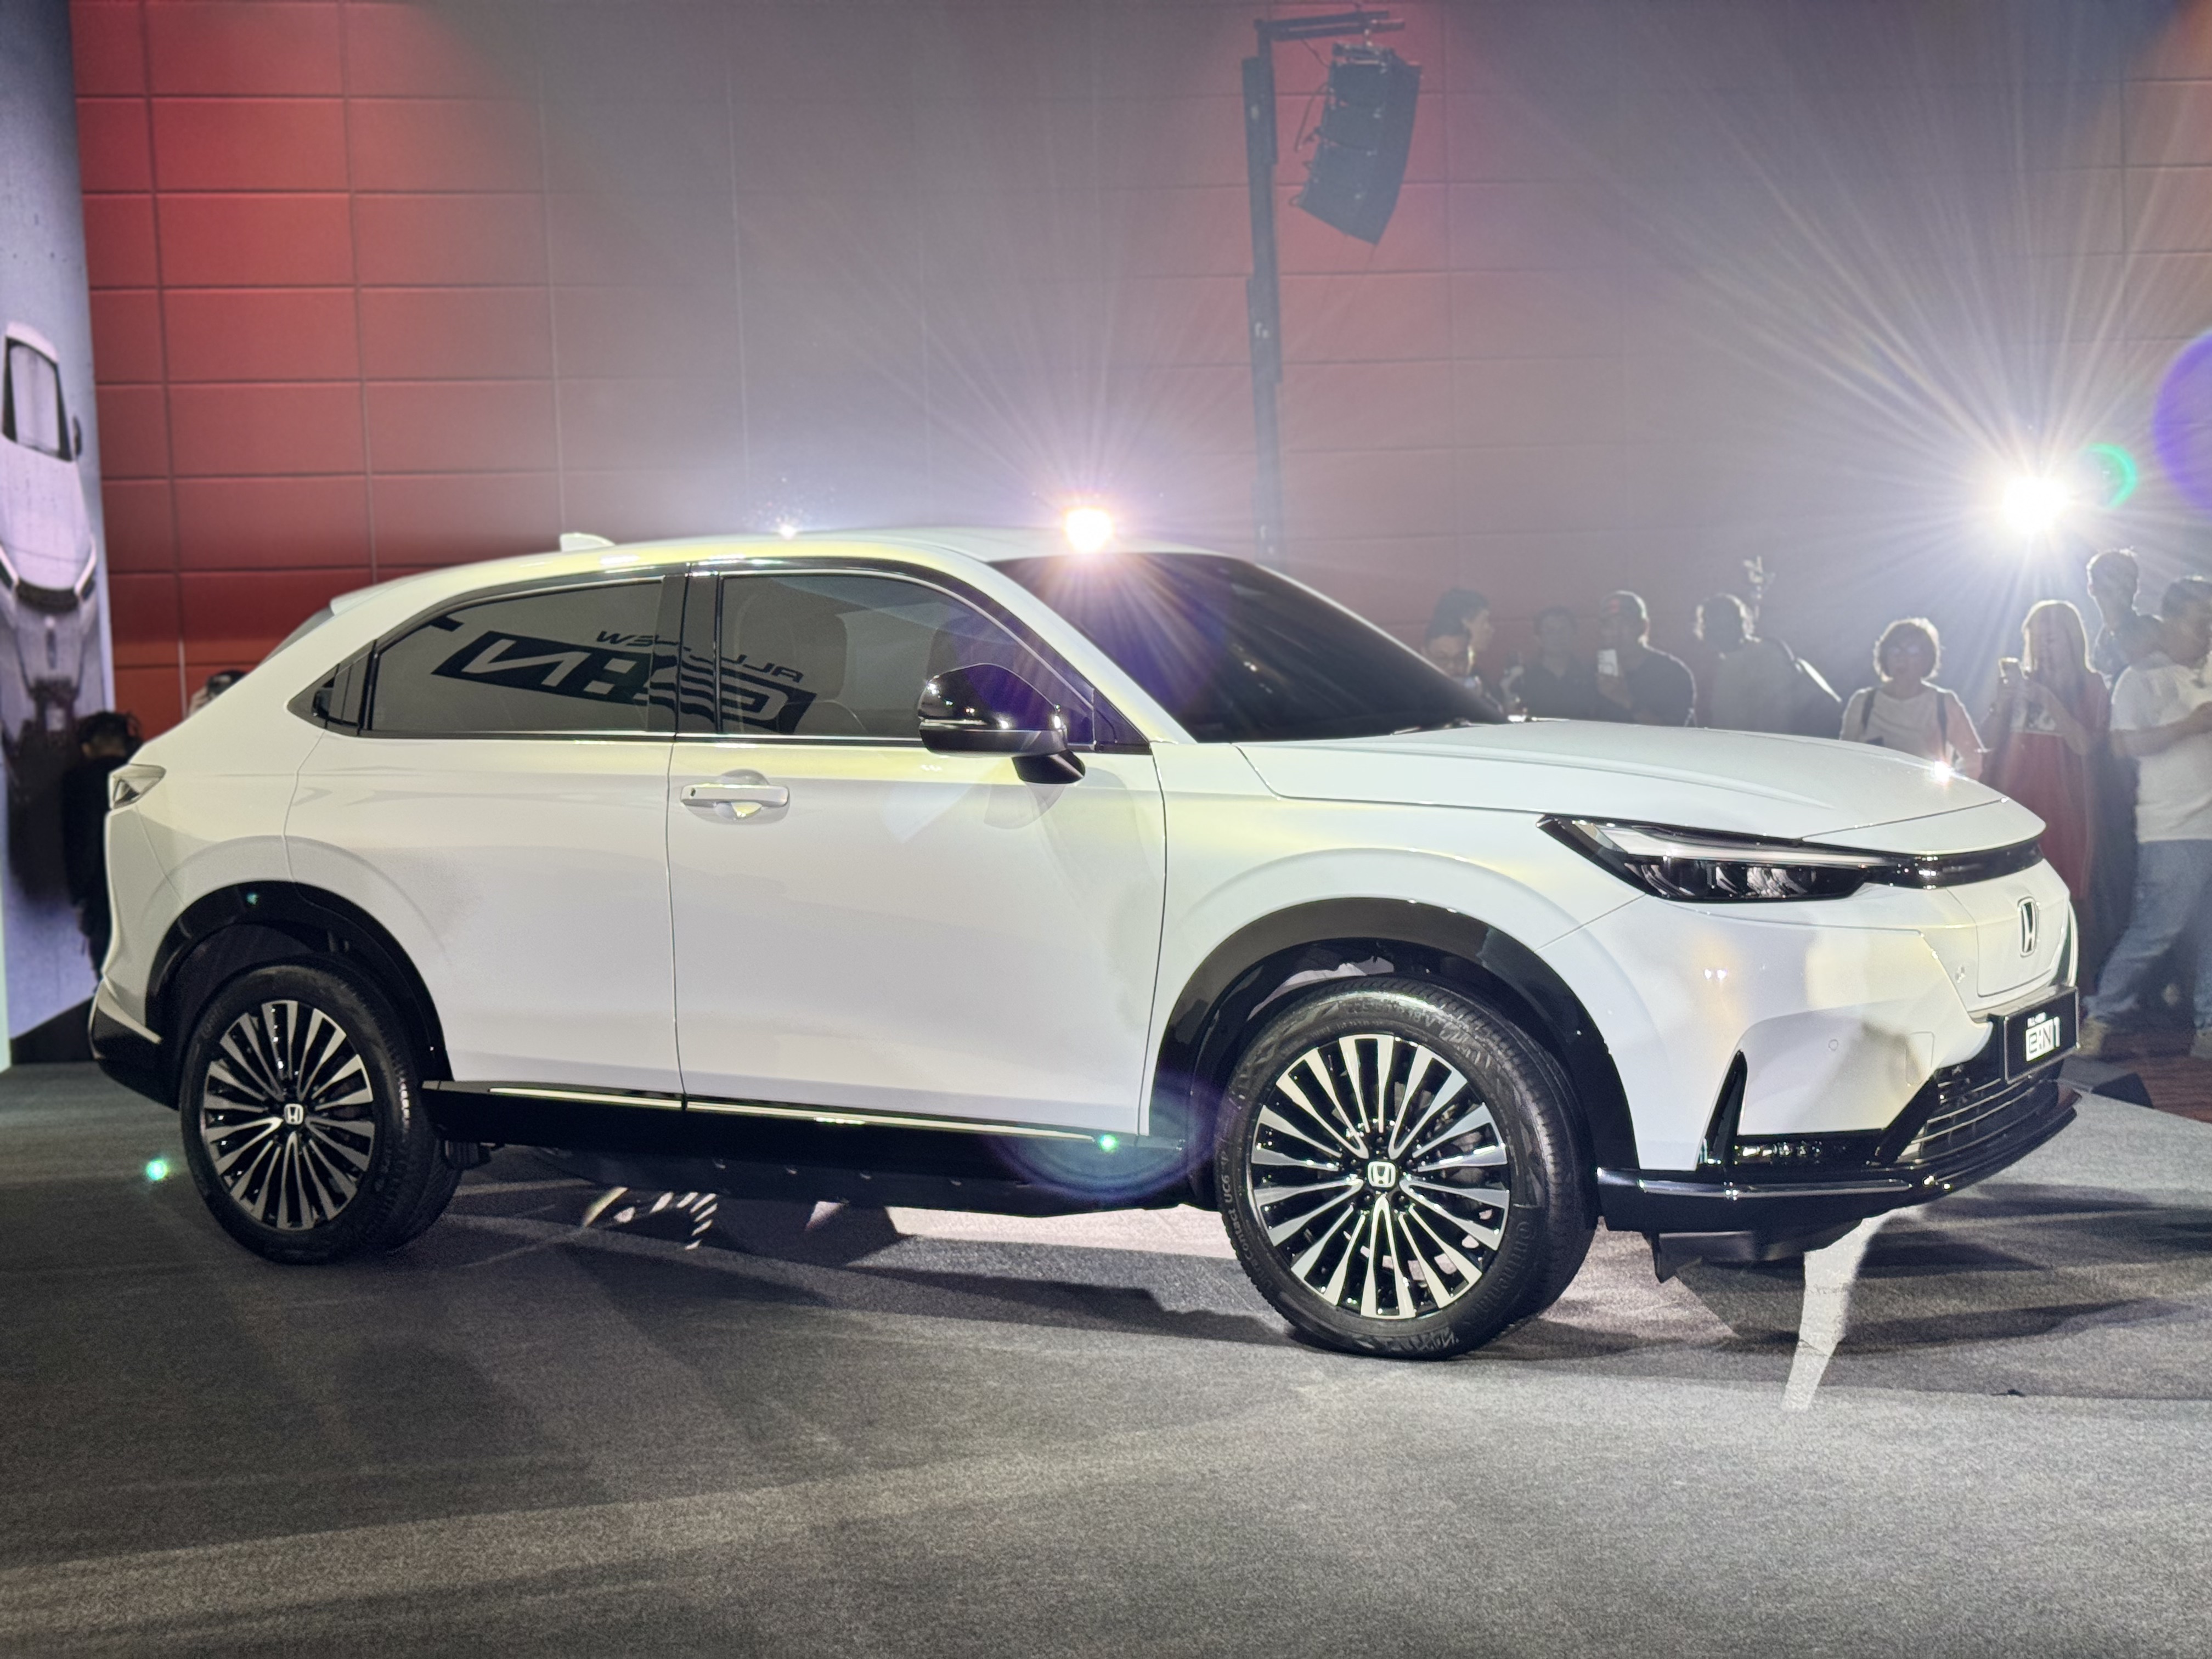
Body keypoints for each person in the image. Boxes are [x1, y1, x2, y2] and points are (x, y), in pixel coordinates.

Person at [2079, 577, 2212, 1060]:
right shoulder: (2142, 677)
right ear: (2171, 620)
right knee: (2156, 930)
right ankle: (2100, 1017)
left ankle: (2208, 1030)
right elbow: (2122, 744)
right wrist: (2188, 726)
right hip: (2174, 829)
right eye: (2201, 621)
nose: (2209, 631)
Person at [1982, 600, 2108, 926]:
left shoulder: (2090, 684)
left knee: (2063, 899)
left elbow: (2085, 745)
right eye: (2035, 640)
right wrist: (2000, 704)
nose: (2042, 648)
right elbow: (1988, 741)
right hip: (2015, 807)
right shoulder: (2024, 682)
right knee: (2009, 897)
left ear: (2072, 640)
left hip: (2066, 812)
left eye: (2050, 639)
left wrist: (2048, 700)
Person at [1838, 617, 1982, 777]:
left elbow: (1975, 759)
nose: (1902, 658)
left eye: (1913, 651)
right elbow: (1843, 760)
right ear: (1885, 656)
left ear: (1927, 658)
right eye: (1895, 650)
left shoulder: (1944, 704)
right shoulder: (1863, 703)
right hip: (1870, 790)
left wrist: (1953, 781)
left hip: (1926, 791)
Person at [61, 710, 139, 969]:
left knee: (109, 971)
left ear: (88, 746)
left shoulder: (79, 781)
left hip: (101, 894)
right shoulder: (142, 776)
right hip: (144, 887)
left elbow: (82, 844)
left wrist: (79, 894)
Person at [1696, 592, 1802, 732]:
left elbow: (1778, 713)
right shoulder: (1724, 665)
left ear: (1740, 623)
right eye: (1713, 625)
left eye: (1724, 624)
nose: (1717, 631)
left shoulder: (1766, 656)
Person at [1592, 591, 1694, 725]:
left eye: (1626, 624)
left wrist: (1626, 700)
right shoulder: (1592, 674)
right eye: (1609, 625)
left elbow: (1672, 733)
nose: (1617, 633)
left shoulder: (1671, 673)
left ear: (1643, 627)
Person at [1422, 589, 1504, 720]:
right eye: (1484, 621)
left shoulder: (1480, 680)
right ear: (1464, 624)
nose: (1490, 629)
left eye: (1460, 659)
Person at [2087, 548, 2162, 680]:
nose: (2118, 587)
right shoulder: (2094, 643)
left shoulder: (2153, 630)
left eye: (2127, 579)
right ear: (2092, 589)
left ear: (2136, 586)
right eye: (2111, 577)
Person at [1517, 605, 1602, 719]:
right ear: (1538, 638)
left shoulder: (1592, 677)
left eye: (1563, 631)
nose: (1557, 636)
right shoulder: (1523, 679)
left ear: (1574, 635)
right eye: (1550, 631)